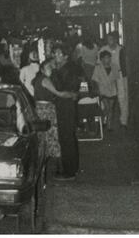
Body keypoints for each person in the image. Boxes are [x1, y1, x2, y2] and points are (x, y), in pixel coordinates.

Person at [34, 58, 74, 174]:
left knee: (45, 137)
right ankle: (58, 167)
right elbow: (58, 93)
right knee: (52, 136)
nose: (51, 69)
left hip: (42, 109)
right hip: (46, 110)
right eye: (48, 67)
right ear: (42, 69)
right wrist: (71, 94)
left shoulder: (40, 79)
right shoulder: (45, 80)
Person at [51, 45, 81, 179]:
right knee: (67, 137)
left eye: (57, 53)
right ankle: (71, 168)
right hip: (64, 105)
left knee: (67, 137)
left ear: (65, 56)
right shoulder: (64, 69)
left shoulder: (68, 70)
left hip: (66, 106)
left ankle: (69, 171)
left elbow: (69, 91)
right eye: (54, 53)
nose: (55, 56)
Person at [104, 33, 129, 127]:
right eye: (108, 39)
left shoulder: (121, 49)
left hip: (119, 74)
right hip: (107, 75)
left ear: (115, 40)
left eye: (111, 39)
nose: (109, 41)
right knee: (106, 97)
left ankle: (124, 120)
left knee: (122, 97)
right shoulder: (104, 50)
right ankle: (106, 119)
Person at [92, 50, 120, 128]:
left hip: (112, 90)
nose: (107, 59)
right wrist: (98, 90)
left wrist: (117, 90)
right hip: (103, 90)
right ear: (101, 59)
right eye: (105, 58)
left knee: (110, 108)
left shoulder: (115, 67)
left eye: (109, 57)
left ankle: (109, 125)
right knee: (107, 107)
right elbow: (96, 80)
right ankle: (104, 118)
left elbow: (116, 80)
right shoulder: (98, 68)